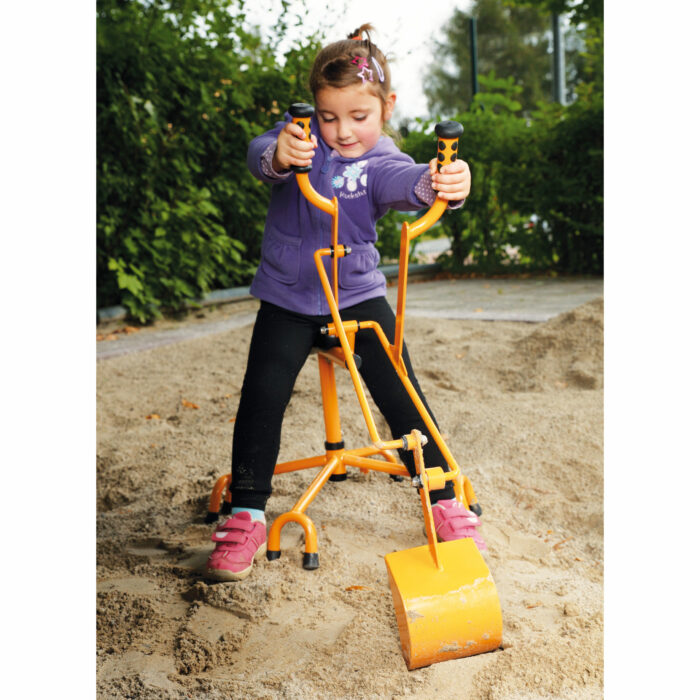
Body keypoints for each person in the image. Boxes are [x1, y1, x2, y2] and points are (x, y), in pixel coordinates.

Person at [205, 24, 485, 582]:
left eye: (359, 116)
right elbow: (261, 153)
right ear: (312, 110)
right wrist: (283, 152)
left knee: (400, 386)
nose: (343, 131)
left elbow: (408, 181)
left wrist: (444, 181)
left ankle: (441, 496)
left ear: (386, 107)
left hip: (354, 296)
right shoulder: (299, 139)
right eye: (329, 116)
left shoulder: (379, 160)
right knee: (262, 395)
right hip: (287, 297)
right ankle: (247, 512)